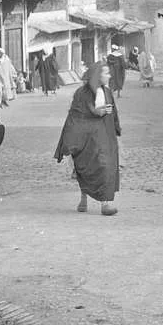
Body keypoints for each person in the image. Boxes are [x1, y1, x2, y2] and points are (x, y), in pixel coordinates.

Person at [53, 61, 121, 216]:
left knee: (104, 165)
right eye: (106, 73)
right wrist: (71, 139)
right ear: (98, 75)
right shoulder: (81, 94)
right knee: (85, 167)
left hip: (102, 136)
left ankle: (105, 204)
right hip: (85, 138)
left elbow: (113, 114)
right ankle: (83, 198)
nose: (109, 76)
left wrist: (113, 124)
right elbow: (75, 115)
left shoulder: (107, 92)